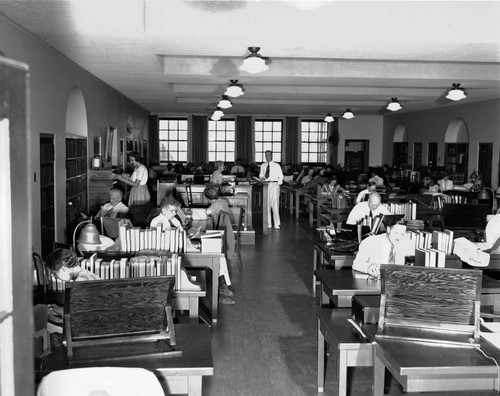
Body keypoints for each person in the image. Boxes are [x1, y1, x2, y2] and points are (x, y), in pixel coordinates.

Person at [203, 186, 236, 304]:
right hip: (224, 235)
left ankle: (218, 289)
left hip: (218, 237)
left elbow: (206, 213)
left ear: (207, 198)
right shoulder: (223, 201)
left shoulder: (213, 206)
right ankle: (223, 286)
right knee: (221, 262)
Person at [259, 150, 284, 230]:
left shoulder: (276, 165)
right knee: (267, 205)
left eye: (269, 155)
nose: (267, 157)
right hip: (266, 185)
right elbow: (261, 175)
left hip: (274, 185)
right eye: (266, 155)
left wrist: (278, 184)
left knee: (275, 205)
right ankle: (268, 223)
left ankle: (276, 223)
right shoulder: (263, 165)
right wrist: (262, 178)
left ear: (272, 156)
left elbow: (281, 176)